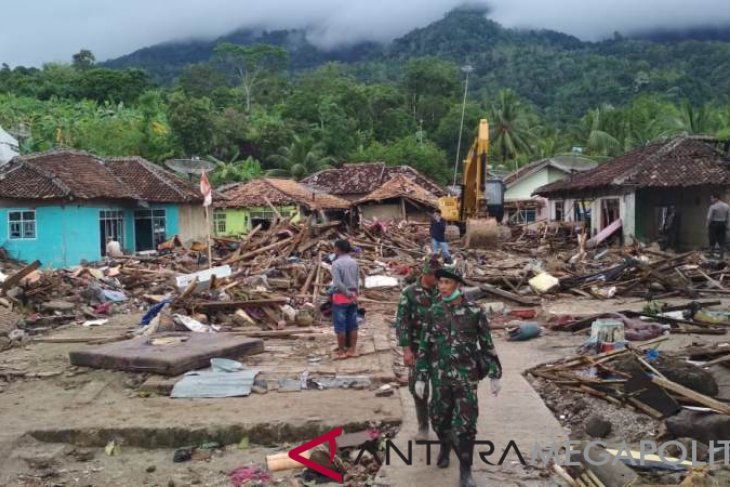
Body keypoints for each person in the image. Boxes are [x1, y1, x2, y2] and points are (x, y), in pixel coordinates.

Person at [414, 265, 502, 487]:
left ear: (458, 286)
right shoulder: (434, 312)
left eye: (447, 283)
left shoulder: (474, 312)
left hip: (466, 377)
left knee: (466, 425)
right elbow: (425, 346)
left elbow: (487, 344)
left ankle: (465, 471)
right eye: (440, 282)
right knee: (439, 419)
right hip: (440, 377)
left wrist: (495, 373)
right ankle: (444, 445)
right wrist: (421, 376)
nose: (442, 287)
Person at [394, 255, 441, 440]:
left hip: (439, 349)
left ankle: (443, 427)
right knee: (419, 390)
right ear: (425, 273)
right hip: (417, 349)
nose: (437, 280)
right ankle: (423, 427)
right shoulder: (409, 293)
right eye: (434, 275)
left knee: (443, 390)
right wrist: (406, 351)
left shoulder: (442, 291)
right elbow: (402, 323)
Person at [330, 239, 360, 359]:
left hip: (340, 297)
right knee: (353, 324)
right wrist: (354, 295)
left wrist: (347, 293)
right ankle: (352, 349)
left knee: (340, 326)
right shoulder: (354, 263)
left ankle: (341, 351)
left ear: (338, 249)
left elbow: (337, 283)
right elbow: (357, 280)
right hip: (353, 297)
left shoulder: (336, 264)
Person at [707, 194, 730, 259]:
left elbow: (709, 217)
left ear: (716, 198)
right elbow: (728, 216)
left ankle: (711, 255)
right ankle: (721, 256)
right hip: (722, 224)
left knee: (712, 239)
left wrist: (707, 225)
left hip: (714, 224)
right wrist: (727, 225)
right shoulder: (726, 206)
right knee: (722, 240)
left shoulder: (713, 206)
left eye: (712, 198)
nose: (711, 200)